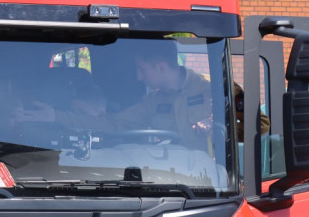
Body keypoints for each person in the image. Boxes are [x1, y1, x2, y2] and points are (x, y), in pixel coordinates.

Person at [19, 41, 215, 149]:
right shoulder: (152, 102)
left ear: (161, 67)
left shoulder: (211, 90)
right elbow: (112, 125)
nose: (138, 76)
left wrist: (214, 123)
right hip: (174, 179)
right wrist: (55, 116)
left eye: (141, 69)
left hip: (205, 183)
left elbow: (240, 128)